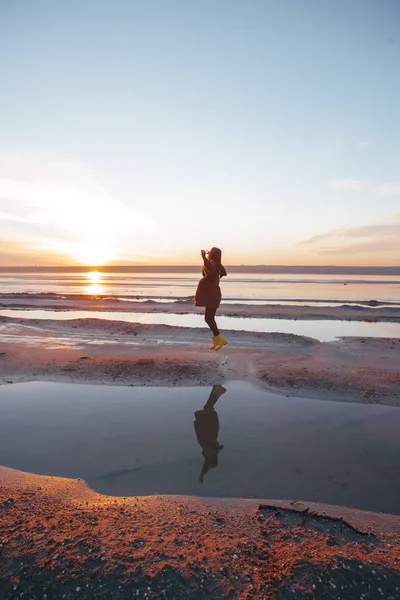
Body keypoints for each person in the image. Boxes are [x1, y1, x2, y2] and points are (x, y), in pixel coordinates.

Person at [194, 247, 227, 350]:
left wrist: (203, 257)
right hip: (213, 295)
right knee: (209, 318)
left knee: (208, 318)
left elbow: (210, 267)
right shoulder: (218, 265)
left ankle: (220, 339)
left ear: (212, 254)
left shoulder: (213, 263)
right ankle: (217, 340)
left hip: (213, 296)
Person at [194, 384, 226, 483]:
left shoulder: (209, 446)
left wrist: (202, 475)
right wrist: (202, 475)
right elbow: (207, 465)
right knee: (208, 408)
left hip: (209, 427)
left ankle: (216, 390)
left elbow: (206, 465)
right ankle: (218, 391)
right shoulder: (209, 444)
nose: (204, 454)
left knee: (208, 407)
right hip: (209, 426)